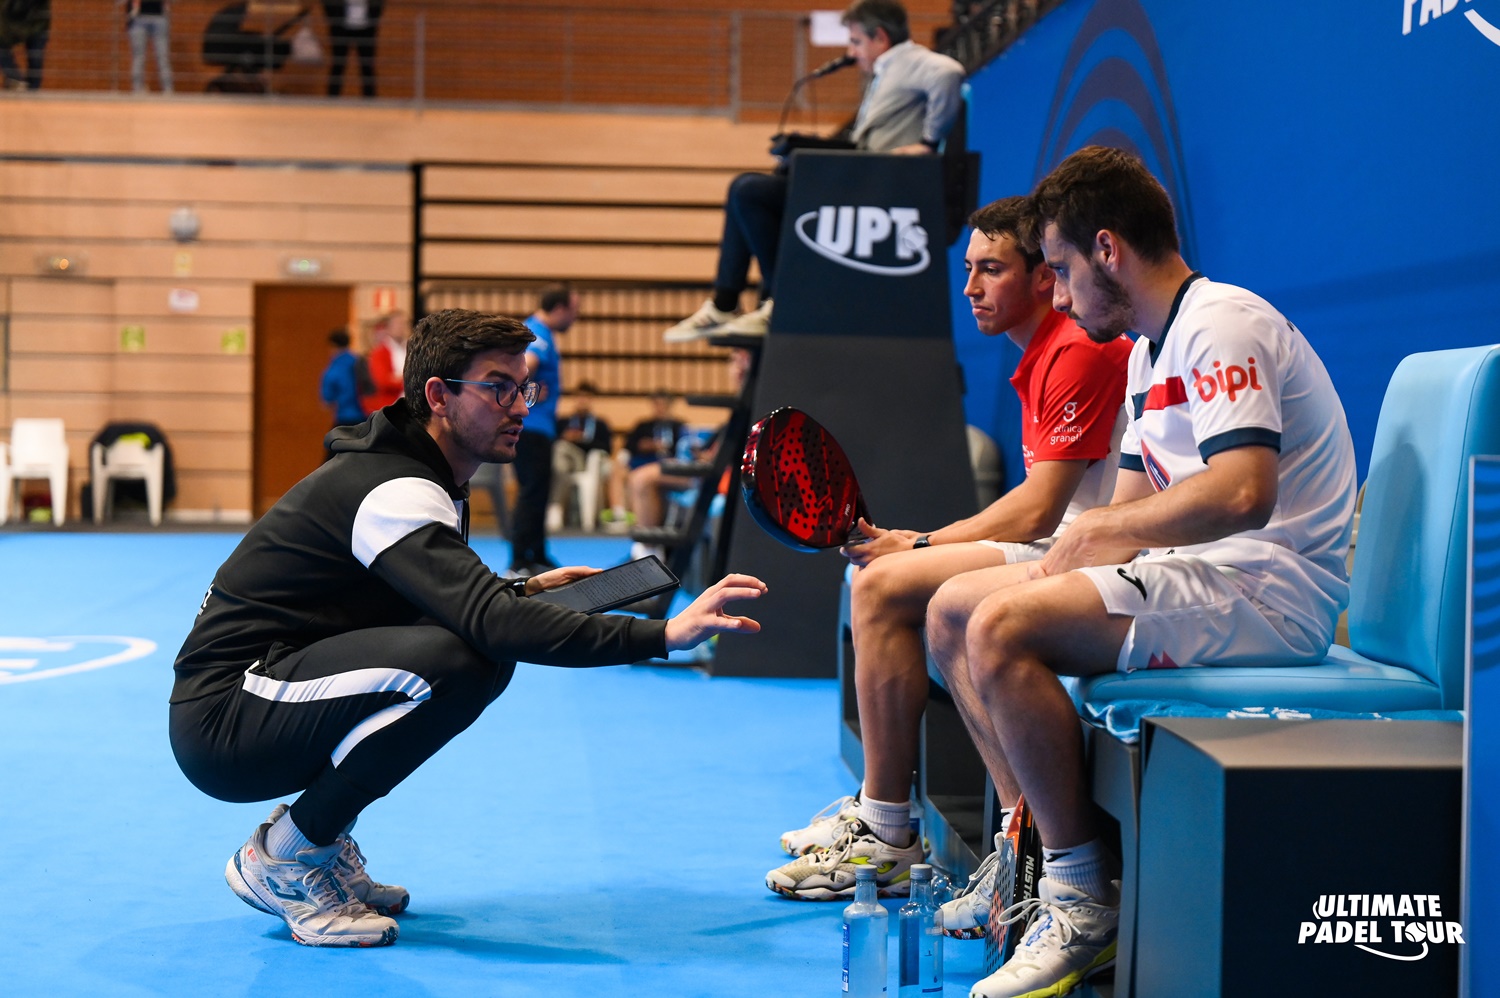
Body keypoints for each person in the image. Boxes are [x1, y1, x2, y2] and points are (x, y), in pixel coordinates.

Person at [169, 308, 766, 948]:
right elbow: (491, 625)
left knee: (473, 645)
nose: (520, 407)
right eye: (498, 387)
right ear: (438, 396)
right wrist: (661, 637)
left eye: (525, 388)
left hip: (271, 687)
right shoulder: (392, 489)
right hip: (226, 718)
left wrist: (522, 591)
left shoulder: (422, 472)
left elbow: (442, 604)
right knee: (465, 661)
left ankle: (315, 841)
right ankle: (287, 856)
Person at [923, 147, 1356, 998]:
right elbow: (1113, 522)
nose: (1056, 291)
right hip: (1200, 575)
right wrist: (1052, 558)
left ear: (1108, 251)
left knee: (1001, 628)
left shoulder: (1221, 322)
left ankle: (1085, 899)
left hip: (1268, 589)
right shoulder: (1145, 352)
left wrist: (1086, 546)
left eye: (1058, 269)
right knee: (951, 611)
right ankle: (1028, 860)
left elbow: (1242, 494)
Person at [763, 197, 1131, 902]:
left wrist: (919, 540)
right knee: (891, 584)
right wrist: (914, 545)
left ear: (1042, 278)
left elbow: (1037, 510)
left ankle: (887, 831)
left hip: (1092, 559)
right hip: (1067, 544)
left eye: (991, 269)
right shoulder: (1042, 355)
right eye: (967, 269)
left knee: (881, 583)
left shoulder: (1078, 351)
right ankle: (921, 825)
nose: (970, 288)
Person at [662, 0, 964, 341]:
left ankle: (773, 299)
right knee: (748, 190)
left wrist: (928, 141)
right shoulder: (886, 71)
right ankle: (729, 302)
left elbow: (949, 74)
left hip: (876, 189)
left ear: (879, 37)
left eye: (855, 42)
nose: (851, 52)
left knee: (748, 191)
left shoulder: (912, 61)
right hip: (859, 179)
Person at [510, 286, 578, 574]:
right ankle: (520, 558)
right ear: (560, 309)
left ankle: (536, 553)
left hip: (539, 429)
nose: (575, 318)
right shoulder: (538, 332)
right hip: (532, 428)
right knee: (531, 492)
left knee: (538, 493)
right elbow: (527, 364)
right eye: (574, 311)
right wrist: (527, 388)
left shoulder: (539, 332)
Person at [603, 390, 686, 535]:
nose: (659, 408)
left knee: (644, 478)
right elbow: (628, 448)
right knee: (617, 471)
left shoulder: (679, 426)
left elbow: (683, 451)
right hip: (640, 462)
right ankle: (619, 514)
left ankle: (648, 529)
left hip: (665, 466)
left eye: (663, 405)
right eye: (656, 404)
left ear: (670, 406)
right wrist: (644, 446)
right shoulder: (642, 426)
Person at [548, 380, 614, 531]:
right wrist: (566, 438)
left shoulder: (600, 424)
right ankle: (556, 508)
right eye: (579, 397)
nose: (582, 401)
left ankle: (555, 507)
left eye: (586, 397)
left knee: (561, 450)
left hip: (587, 461)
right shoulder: (563, 422)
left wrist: (582, 440)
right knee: (560, 451)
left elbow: (607, 448)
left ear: (591, 400)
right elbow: (552, 442)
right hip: (564, 462)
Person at [318, 328, 371, 460]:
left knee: (332, 459)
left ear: (333, 346)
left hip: (344, 418)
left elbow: (326, 400)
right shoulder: (359, 360)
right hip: (365, 416)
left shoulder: (333, 368)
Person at [320, 0, 382, 98]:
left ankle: (370, 101)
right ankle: (332, 100)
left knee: (367, 67)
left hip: (366, 28)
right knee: (338, 66)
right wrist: (334, 18)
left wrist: (373, 18)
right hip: (340, 27)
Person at [363, 311, 407, 413]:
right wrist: (406, 380)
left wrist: (397, 377)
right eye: (397, 324)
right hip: (390, 406)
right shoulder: (380, 352)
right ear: (388, 327)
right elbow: (383, 381)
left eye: (403, 323)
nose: (401, 327)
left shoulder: (410, 348)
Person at [0, 0, 48, 91]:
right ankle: (15, 79)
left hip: (37, 25)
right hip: (9, 23)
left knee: (35, 60)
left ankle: (32, 91)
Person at [127, 0, 173, 93]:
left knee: (162, 56)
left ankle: (168, 90)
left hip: (159, 17)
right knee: (138, 57)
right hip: (138, 18)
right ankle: (137, 89)